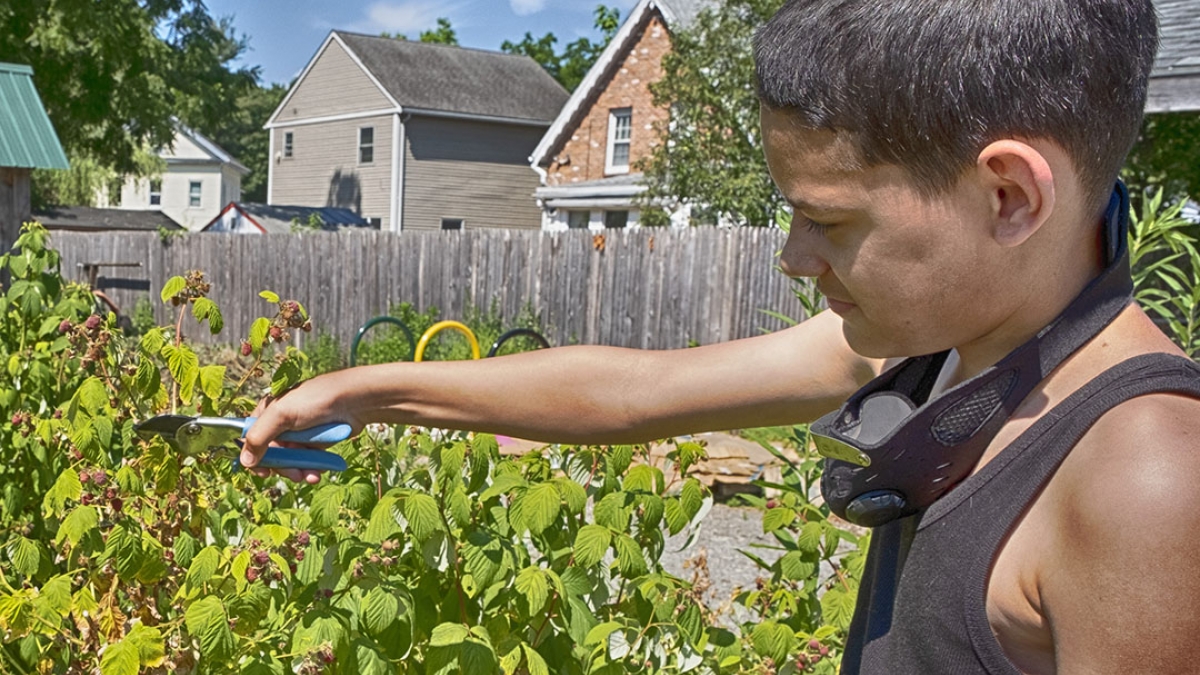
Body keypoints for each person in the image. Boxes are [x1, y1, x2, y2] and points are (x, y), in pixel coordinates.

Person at [243, 0, 1200, 672]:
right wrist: (364, 392)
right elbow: (633, 392)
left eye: (827, 219)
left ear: (1009, 196)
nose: (794, 256)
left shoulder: (1144, 481)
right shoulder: (950, 349)